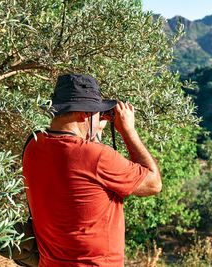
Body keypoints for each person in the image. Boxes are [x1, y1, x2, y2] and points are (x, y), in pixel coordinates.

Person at [22, 73, 162, 267]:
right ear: (85, 115)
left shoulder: (33, 145)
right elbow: (154, 184)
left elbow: (75, 169)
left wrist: (93, 130)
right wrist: (128, 130)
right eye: (97, 112)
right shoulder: (98, 157)